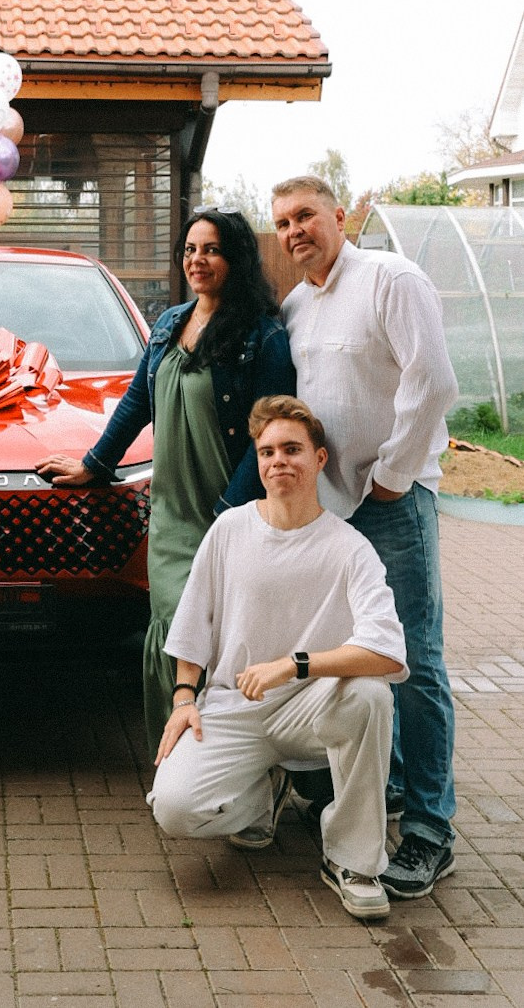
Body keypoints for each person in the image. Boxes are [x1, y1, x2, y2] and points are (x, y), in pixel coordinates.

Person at [36, 209, 295, 747]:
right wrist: (95, 463)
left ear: (236, 259)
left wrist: (232, 513)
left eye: (211, 250)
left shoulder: (262, 338)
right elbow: (137, 402)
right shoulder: (170, 323)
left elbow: (266, 435)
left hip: (227, 505)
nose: (197, 261)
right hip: (171, 508)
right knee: (175, 624)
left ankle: (232, 766)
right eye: (190, 250)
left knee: (223, 636)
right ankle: (177, 755)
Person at [269, 174, 460, 900]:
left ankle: (431, 831)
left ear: (339, 215)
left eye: (306, 215)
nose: (295, 231)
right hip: (336, 509)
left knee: (415, 659)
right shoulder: (297, 304)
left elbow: (435, 381)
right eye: (283, 221)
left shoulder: (391, 279)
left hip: (394, 501)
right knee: (365, 657)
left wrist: (394, 472)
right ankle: (394, 789)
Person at [148, 395, 407, 922]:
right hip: (233, 707)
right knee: (175, 810)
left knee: (371, 695)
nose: (277, 461)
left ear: (319, 459)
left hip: (311, 707)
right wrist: (182, 697)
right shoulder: (230, 531)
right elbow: (193, 625)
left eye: (292, 449)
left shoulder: (350, 547)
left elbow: (386, 650)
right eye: (267, 452)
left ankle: (354, 862)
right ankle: (261, 790)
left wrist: (296, 664)